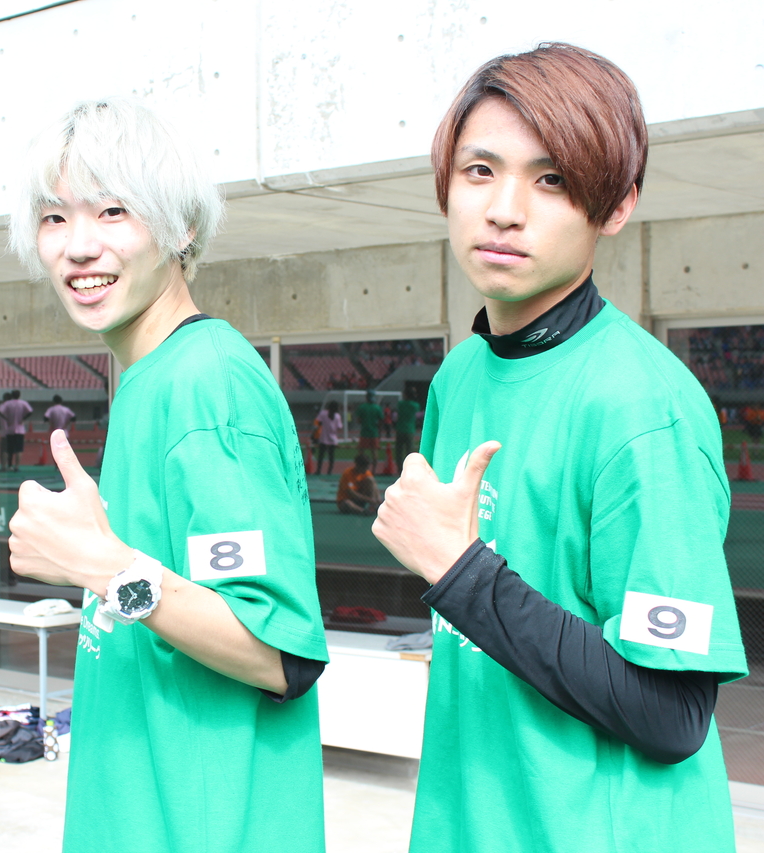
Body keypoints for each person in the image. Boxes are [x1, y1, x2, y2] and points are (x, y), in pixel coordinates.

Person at [372, 44, 746, 852]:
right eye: (480, 171)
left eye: (552, 180)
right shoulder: (460, 375)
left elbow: (672, 712)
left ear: (616, 206)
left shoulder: (642, 406)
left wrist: (464, 573)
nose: (505, 209)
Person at [4, 98, 328, 853]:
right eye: (54, 218)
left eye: (112, 211)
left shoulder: (206, 384)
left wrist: (104, 567)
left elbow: (281, 654)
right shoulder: (151, 379)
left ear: (181, 227)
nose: (78, 246)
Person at [0, 389, 32, 471]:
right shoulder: (23, 403)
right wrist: (23, 418)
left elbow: (0, 411)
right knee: (19, 450)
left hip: (10, 429)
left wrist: (6, 418)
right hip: (20, 429)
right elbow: (30, 411)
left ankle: (8, 465)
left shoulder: (7, 404)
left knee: (8, 450)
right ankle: (17, 466)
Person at [313, 399, 342, 474]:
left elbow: (317, 422)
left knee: (321, 455)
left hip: (324, 438)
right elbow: (339, 427)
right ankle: (329, 471)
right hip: (333, 439)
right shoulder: (337, 416)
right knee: (331, 456)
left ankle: (318, 470)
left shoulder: (323, 413)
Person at [394, 393, 420, 474]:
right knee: (409, 451)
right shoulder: (415, 405)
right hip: (410, 429)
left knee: (399, 451)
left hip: (400, 429)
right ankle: (409, 469)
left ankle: (399, 469)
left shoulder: (400, 404)